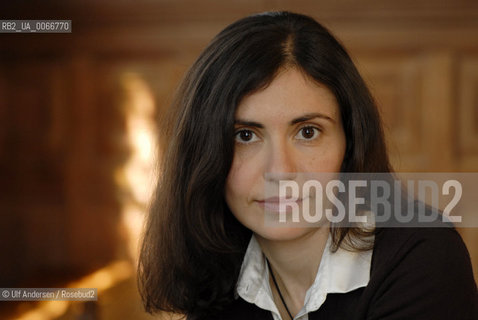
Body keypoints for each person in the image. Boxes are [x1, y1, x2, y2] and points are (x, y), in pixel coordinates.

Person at [138, 11, 478, 320]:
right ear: (204, 153)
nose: (280, 170)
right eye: (245, 135)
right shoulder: (216, 281)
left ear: (350, 142)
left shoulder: (425, 259)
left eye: (307, 132)